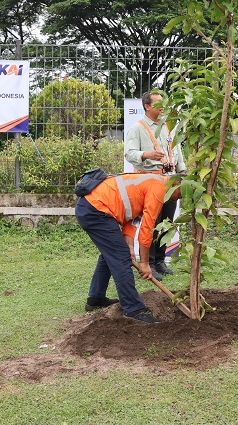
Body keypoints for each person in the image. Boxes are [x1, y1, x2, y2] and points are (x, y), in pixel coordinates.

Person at [75, 173, 182, 323]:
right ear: (175, 184)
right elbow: (147, 229)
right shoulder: (159, 189)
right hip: (96, 209)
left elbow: (131, 216)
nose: (179, 198)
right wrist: (144, 263)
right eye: (180, 193)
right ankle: (133, 309)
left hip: (91, 207)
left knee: (111, 254)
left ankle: (96, 298)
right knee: (120, 256)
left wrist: (130, 246)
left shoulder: (154, 183)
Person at [124, 91, 186, 281]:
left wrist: (182, 171)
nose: (163, 107)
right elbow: (129, 153)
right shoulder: (138, 128)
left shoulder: (167, 127)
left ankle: (160, 259)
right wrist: (146, 155)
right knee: (152, 222)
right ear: (147, 106)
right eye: (159, 104)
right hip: (149, 181)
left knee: (167, 221)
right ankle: (148, 261)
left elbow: (176, 150)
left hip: (169, 181)